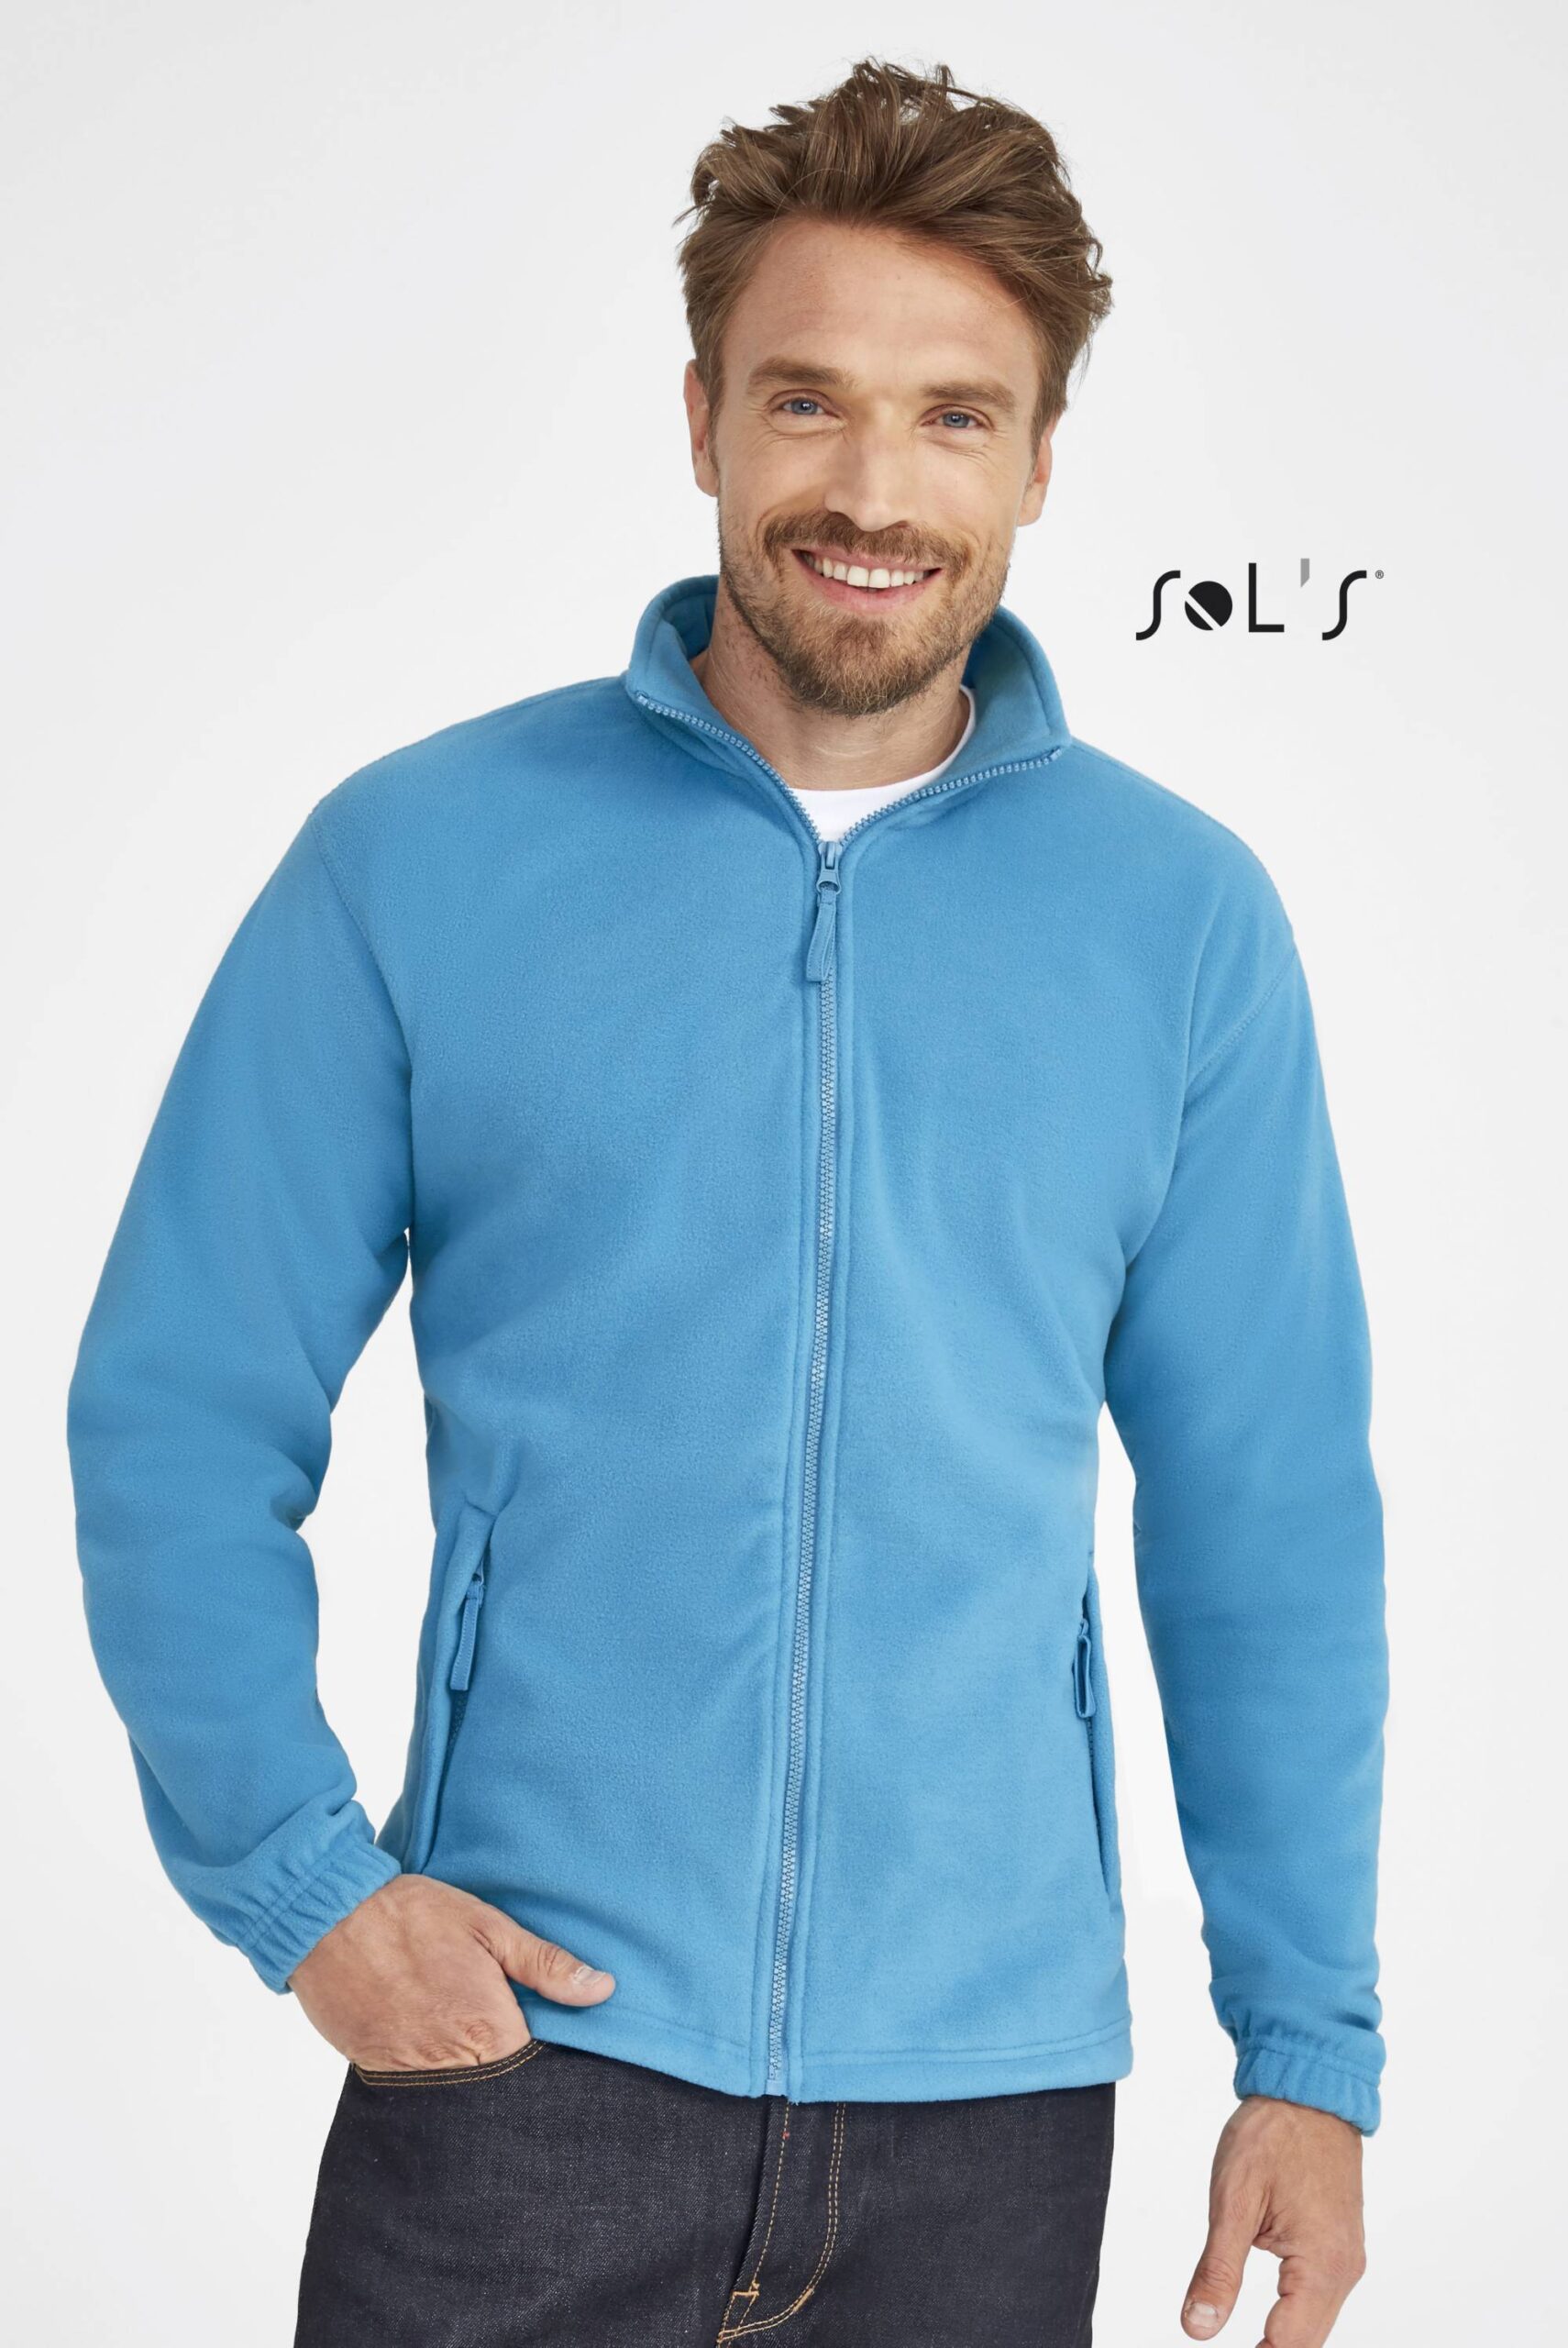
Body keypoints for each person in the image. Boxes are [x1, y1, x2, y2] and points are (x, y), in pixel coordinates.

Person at [65, 55, 1386, 2348]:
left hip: (990, 2117)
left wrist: (1309, 2045)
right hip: (517, 2057)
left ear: (1041, 460)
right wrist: (305, 1888)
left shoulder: (1181, 925)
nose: (874, 490)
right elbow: (176, 1407)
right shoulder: (419, 859)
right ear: (702, 420)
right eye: (808, 402)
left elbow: (1265, 1515)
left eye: (955, 417)